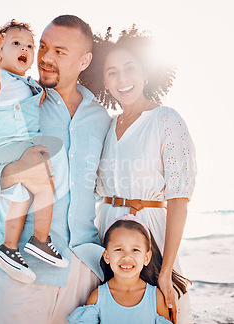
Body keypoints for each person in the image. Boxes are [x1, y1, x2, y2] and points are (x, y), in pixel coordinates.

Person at [0, 15, 111, 323]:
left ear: (85, 60)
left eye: (60, 51)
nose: (44, 57)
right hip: (21, 274)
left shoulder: (101, 119)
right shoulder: (17, 105)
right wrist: (16, 171)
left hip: (85, 270)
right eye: (42, 47)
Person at [79, 26, 197, 323]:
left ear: (146, 72)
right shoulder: (105, 126)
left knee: (159, 312)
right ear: (103, 81)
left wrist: (167, 269)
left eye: (130, 69)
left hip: (151, 238)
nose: (123, 80)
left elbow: (179, 200)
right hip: (108, 238)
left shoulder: (166, 120)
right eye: (112, 72)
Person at [0, 19, 68, 284]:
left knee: (22, 197)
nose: (24, 48)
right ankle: (40, 240)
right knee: (46, 188)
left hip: (18, 151)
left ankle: (9, 248)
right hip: (6, 150)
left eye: (29, 45)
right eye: (15, 43)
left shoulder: (24, 83)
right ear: (1, 50)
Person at [67, 215, 189, 323]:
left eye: (135, 250)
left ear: (146, 258)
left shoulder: (156, 298)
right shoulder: (98, 297)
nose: (126, 256)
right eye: (119, 249)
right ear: (107, 256)